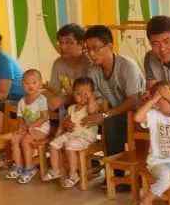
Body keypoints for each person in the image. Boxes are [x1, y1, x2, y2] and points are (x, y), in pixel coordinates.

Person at [84, 25, 145, 155]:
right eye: (88, 49)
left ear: (110, 46)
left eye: (96, 48)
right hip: (113, 114)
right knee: (83, 120)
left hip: (138, 114)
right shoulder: (92, 71)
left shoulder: (127, 66)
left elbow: (134, 100)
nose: (91, 54)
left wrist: (105, 115)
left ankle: (115, 166)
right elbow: (96, 100)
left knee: (110, 122)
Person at [44, 77, 100, 188]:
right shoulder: (71, 108)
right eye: (78, 94)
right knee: (53, 144)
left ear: (92, 94)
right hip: (71, 134)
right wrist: (58, 133)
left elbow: (91, 110)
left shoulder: (91, 107)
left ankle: (73, 175)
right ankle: (55, 170)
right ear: (73, 94)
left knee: (69, 145)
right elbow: (64, 123)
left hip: (85, 137)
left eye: (86, 94)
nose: (82, 97)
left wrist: (91, 98)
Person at [6, 69, 51, 184]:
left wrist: (32, 126)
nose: (30, 85)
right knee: (14, 139)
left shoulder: (41, 99)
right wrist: (21, 126)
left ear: (40, 84)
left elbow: (45, 117)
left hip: (41, 128)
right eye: (26, 83)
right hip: (27, 128)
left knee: (25, 140)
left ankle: (30, 168)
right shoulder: (22, 101)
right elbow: (20, 116)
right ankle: (18, 166)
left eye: (34, 82)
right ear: (22, 85)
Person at [47, 23, 90, 110]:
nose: (63, 47)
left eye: (69, 42)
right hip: (68, 107)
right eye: (61, 42)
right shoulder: (58, 63)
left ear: (81, 43)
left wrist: (64, 99)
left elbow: (89, 96)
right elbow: (54, 90)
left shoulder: (89, 63)